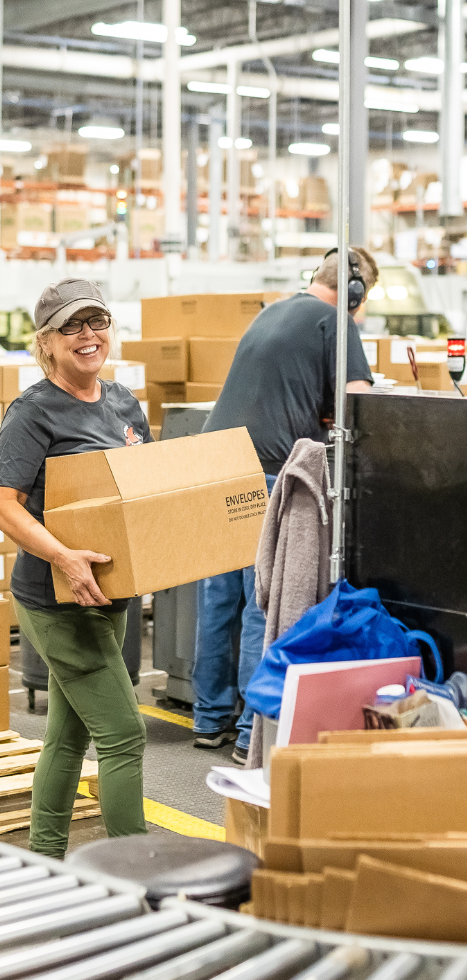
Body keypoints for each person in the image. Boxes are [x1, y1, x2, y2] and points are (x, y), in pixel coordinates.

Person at [192, 247, 378, 764]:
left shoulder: (274, 310)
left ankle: (209, 719)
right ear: (355, 292)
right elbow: (358, 400)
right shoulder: (334, 321)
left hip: (216, 461)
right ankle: (254, 733)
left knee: (219, 598)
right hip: (268, 469)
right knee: (263, 601)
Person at [0, 277, 150, 858]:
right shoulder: (33, 413)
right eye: (72, 327)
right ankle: (136, 875)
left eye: (97, 322)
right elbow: (1, 505)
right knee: (124, 734)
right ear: (47, 342)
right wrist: (62, 556)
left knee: (69, 731)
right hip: (56, 599)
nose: (88, 336)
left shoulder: (124, 403)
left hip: (111, 592)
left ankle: (46, 856)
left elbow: (143, 493)